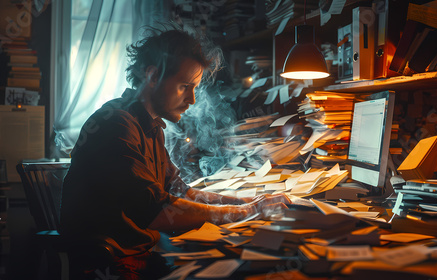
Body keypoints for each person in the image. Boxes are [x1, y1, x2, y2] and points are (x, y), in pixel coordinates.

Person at [59, 26, 290, 279]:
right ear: (153, 76)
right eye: (184, 86)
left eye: (194, 88)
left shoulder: (146, 123)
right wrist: (245, 213)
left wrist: (246, 203)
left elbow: (179, 191)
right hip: (111, 263)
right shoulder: (117, 125)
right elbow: (159, 212)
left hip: (139, 252)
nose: (191, 99)